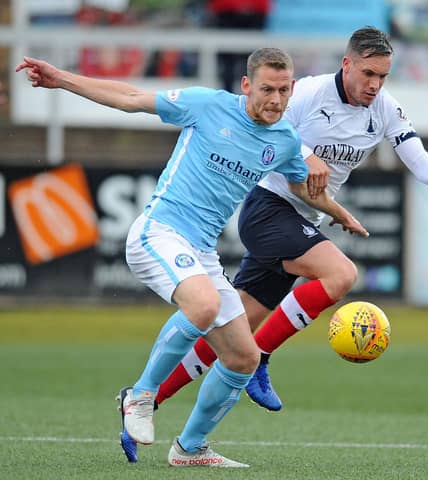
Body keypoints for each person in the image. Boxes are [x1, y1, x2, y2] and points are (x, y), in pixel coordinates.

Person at [16, 47, 367, 467]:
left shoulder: (285, 140)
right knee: (204, 304)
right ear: (246, 86)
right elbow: (130, 99)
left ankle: (190, 448)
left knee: (243, 356)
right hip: (158, 232)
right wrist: (62, 79)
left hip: (200, 252)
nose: (276, 100)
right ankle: (140, 396)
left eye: (284, 90)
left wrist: (339, 213)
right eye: (267, 89)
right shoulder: (208, 105)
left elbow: (301, 186)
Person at [149, 25, 428, 421]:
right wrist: (302, 153)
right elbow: (268, 126)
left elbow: (415, 154)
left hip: (303, 216)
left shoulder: (385, 108)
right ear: (347, 64)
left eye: (383, 76)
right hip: (269, 206)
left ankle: (148, 399)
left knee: (233, 331)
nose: (375, 85)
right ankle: (260, 359)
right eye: (368, 74)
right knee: (340, 275)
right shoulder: (308, 93)